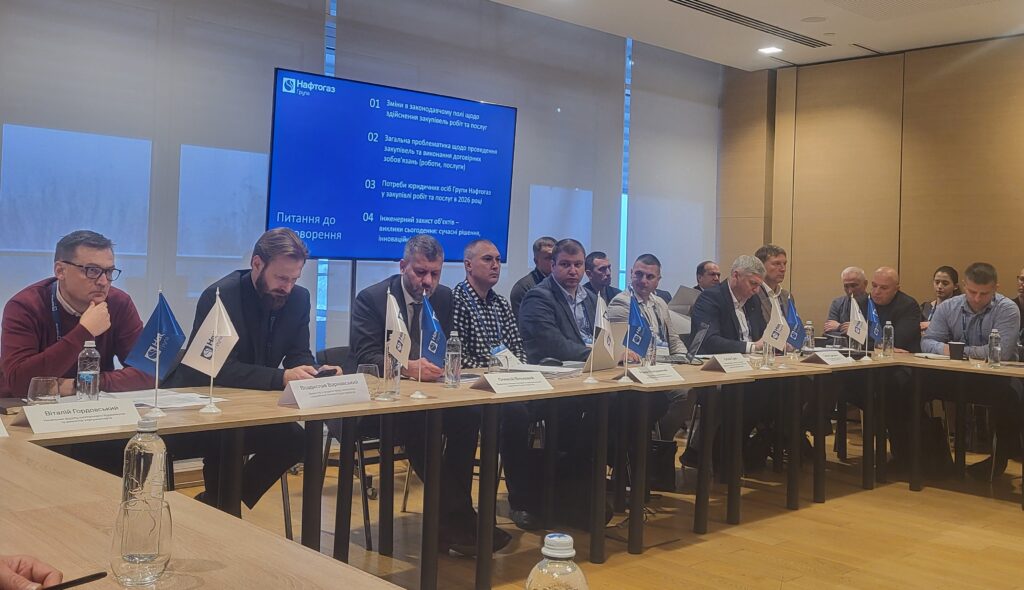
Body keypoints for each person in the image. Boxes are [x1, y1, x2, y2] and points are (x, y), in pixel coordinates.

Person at [350, 235, 508, 554]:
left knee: (469, 416)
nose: (428, 281)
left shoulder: (444, 297)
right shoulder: (373, 298)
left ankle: (450, 522)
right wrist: (407, 366)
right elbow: (364, 356)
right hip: (384, 401)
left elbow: (443, 346)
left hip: (429, 395)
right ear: (403, 266)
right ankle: (460, 518)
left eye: (435, 273)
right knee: (420, 426)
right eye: (420, 272)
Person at [169, 228, 334, 509]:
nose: (287, 287)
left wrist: (314, 372)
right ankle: (221, 505)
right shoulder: (220, 296)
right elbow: (216, 369)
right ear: (257, 263)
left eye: (294, 279)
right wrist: (281, 377)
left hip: (252, 407)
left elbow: (298, 354)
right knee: (226, 444)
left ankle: (215, 503)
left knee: (297, 439)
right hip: (205, 408)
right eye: (281, 278)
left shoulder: (298, 299)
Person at [1, 230, 150, 397]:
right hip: (27, 408)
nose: (103, 281)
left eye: (109, 272)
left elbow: (149, 371)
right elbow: (20, 384)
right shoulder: (25, 306)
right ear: (60, 271)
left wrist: (81, 384)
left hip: (92, 407)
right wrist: (84, 331)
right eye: (92, 270)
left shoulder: (119, 303)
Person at [921, 262, 1021, 478]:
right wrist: (952, 351)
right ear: (964, 286)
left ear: (995, 288)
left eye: (984, 293)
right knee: (913, 386)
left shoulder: (1007, 309)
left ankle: (998, 460)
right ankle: (934, 457)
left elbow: (1000, 352)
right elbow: (927, 342)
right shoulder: (948, 307)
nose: (977, 298)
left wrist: (957, 351)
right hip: (954, 375)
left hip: (995, 379)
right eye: (972, 291)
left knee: (1013, 396)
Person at [608, 254, 688, 439]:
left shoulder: (659, 302)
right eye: (638, 274)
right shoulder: (622, 302)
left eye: (650, 276)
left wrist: (685, 360)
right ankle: (657, 441)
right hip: (636, 370)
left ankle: (659, 441)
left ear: (658, 280)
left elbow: (673, 339)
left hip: (663, 365)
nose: (643, 280)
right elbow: (624, 349)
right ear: (631, 273)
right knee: (683, 394)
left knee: (692, 390)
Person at [689, 255, 767, 354]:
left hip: (754, 359)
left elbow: (763, 333)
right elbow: (709, 340)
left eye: (759, 285)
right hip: (721, 361)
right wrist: (752, 347)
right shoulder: (710, 298)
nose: (756, 290)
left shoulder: (753, 300)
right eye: (753, 283)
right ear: (736, 276)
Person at [509, 236, 556, 316]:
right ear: (536, 261)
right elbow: (525, 322)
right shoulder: (523, 288)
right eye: (548, 258)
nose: (553, 262)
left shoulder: (564, 283)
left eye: (555, 257)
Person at [753, 244, 793, 333]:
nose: (783, 269)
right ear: (760, 266)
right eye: (777, 264)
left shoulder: (787, 296)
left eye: (784, 264)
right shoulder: (753, 294)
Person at [823, 266, 868, 341]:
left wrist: (841, 327)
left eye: (854, 286)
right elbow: (829, 333)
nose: (850, 291)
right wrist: (848, 330)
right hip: (842, 347)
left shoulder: (874, 304)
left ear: (865, 284)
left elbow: (876, 336)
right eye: (846, 286)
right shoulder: (837, 303)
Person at [920, 266, 961, 332]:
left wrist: (931, 325)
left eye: (945, 283)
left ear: (955, 286)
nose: (939, 286)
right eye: (937, 282)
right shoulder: (925, 307)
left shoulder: (959, 309)